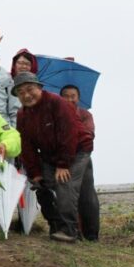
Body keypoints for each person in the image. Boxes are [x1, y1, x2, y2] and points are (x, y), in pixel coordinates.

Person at [13, 72, 95, 243]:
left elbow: (69, 134)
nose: (26, 95)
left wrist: (63, 164)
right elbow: (26, 146)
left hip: (77, 149)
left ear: (39, 88)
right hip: (51, 154)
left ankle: (70, 230)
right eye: (21, 92)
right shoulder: (22, 114)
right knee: (40, 185)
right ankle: (56, 225)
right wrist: (35, 173)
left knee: (64, 182)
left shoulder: (58, 103)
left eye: (30, 89)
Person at [60, 84, 100, 241]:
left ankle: (92, 235)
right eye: (66, 96)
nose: (69, 99)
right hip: (63, 159)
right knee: (67, 193)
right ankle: (73, 230)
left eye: (73, 96)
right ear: (60, 98)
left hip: (82, 157)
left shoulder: (85, 114)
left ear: (78, 98)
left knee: (87, 195)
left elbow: (89, 134)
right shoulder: (56, 115)